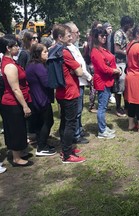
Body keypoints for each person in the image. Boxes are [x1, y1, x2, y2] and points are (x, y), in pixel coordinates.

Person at [53, 24, 86, 163]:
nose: (71, 36)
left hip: (61, 91)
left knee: (64, 122)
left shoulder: (54, 50)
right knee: (70, 123)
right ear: (60, 37)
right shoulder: (64, 52)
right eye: (68, 35)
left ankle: (65, 148)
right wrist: (75, 69)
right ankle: (67, 155)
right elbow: (79, 71)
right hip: (69, 91)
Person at [0, 35, 33, 167]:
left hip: (15, 102)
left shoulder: (11, 61)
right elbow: (15, 89)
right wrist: (25, 106)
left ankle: (20, 152)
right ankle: (16, 158)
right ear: (8, 48)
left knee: (19, 128)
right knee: (15, 129)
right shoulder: (9, 66)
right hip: (12, 103)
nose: (18, 48)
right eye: (15, 46)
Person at [25, 43, 56, 156]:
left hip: (35, 97)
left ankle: (41, 143)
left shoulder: (31, 64)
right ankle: (41, 147)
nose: (47, 53)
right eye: (45, 52)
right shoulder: (38, 66)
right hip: (41, 98)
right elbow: (47, 82)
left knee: (40, 122)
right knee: (48, 121)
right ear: (38, 54)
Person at [90, 26, 121, 139]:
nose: (104, 37)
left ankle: (103, 127)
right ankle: (102, 131)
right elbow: (103, 68)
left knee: (104, 106)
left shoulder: (102, 49)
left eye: (105, 35)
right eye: (101, 35)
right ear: (96, 37)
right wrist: (115, 70)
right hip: (102, 81)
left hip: (107, 80)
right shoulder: (95, 51)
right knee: (102, 107)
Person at [65, 21, 92, 144]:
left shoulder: (73, 46)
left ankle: (79, 130)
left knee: (79, 110)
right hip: (77, 82)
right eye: (76, 32)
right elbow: (77, 67)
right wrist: (89, 77)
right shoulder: (68, 49)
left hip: (80, 82)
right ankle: (75, 134)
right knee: (76, 110)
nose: (78, 34)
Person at [113, 16, 134, 117]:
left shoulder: (126, 34)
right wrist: (127, 52)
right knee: (119, 86)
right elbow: (116, 49)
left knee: (125, 85)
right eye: (130, 25)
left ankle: (126, 106)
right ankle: (118, 107)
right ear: (126, 24)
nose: (131, 27)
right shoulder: (119, 34)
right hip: (119, 62)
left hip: (126, 63)